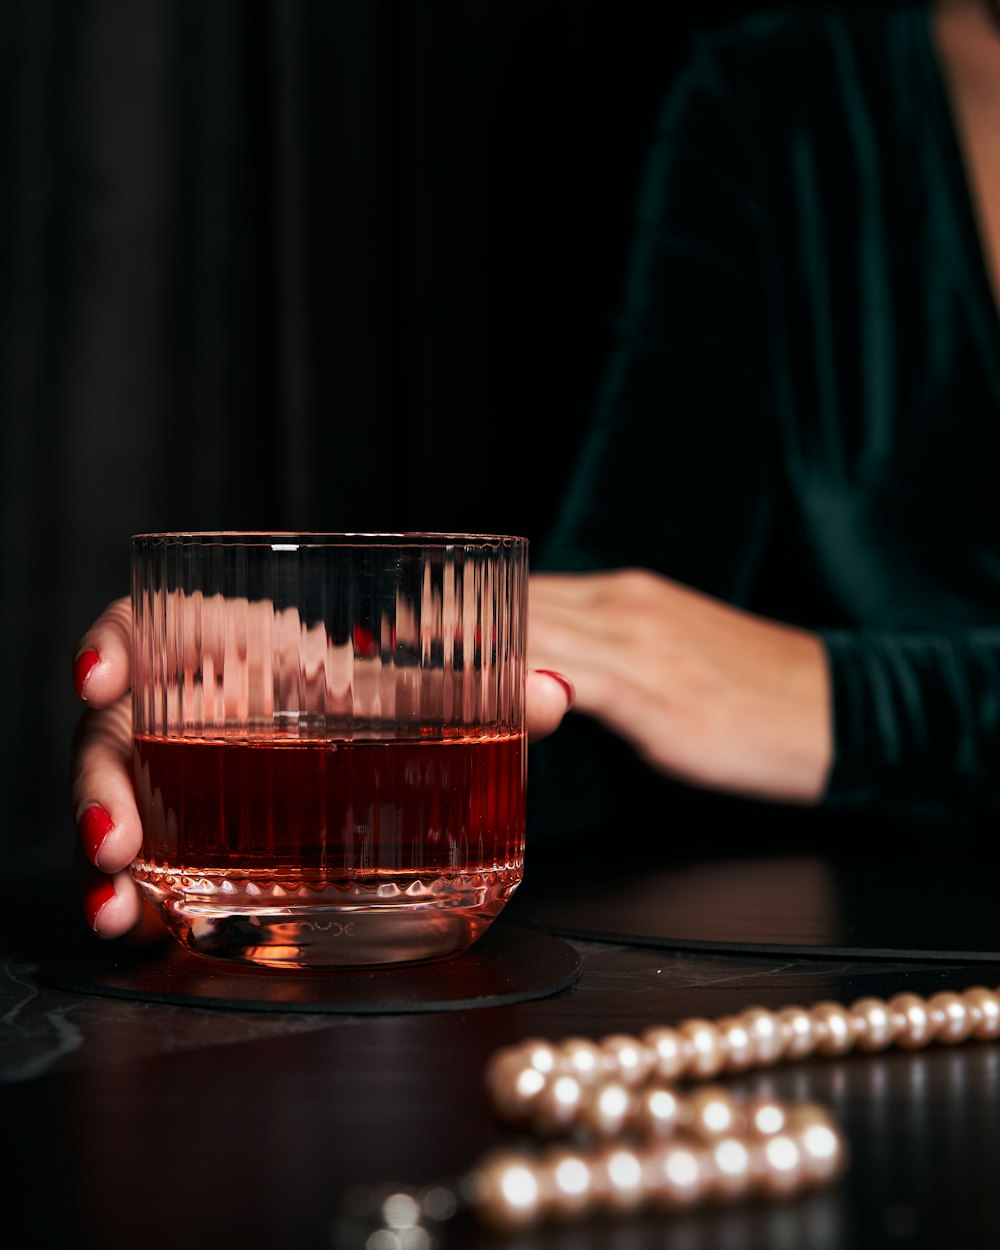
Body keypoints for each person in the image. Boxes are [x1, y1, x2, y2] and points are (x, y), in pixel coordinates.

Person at [71, 0, 1000, 941]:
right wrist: (333, 706)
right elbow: (607, 666)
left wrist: (842, 705)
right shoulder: (787, 96)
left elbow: (719, 683)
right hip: (829, 965)